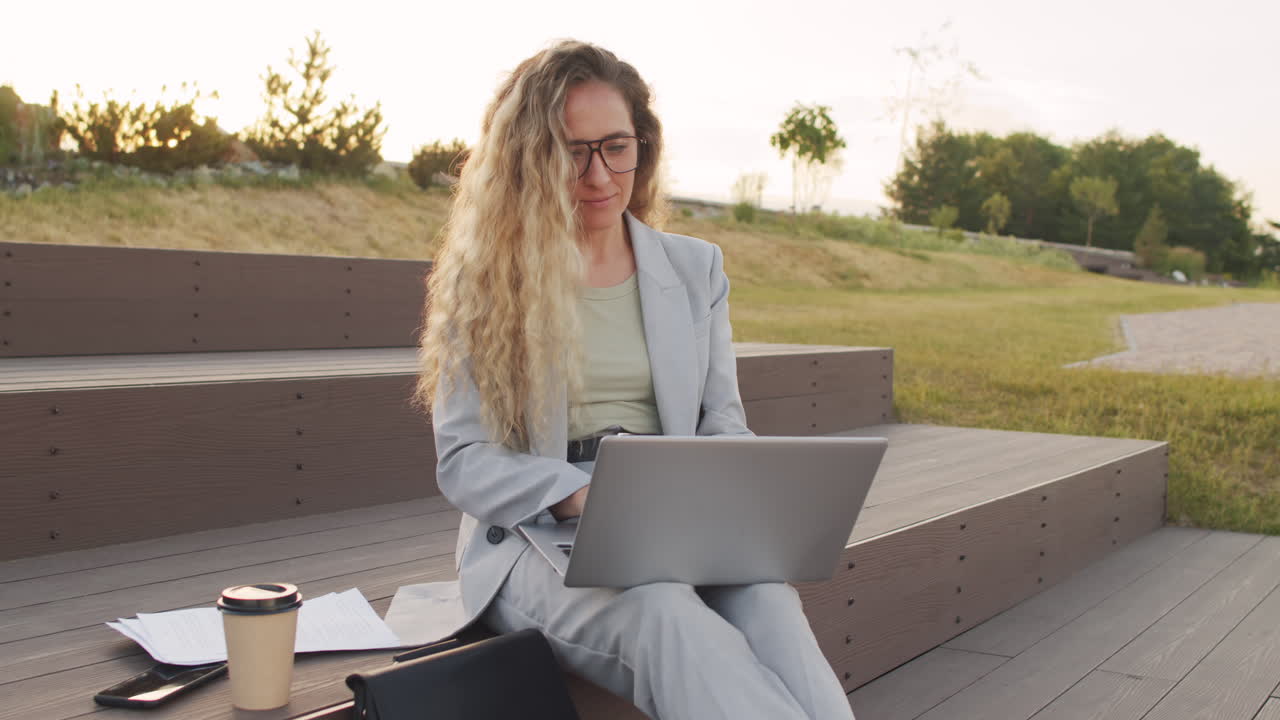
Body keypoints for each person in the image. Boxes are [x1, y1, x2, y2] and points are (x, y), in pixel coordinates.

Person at [413, 40, 855, 720]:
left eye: (616, 147)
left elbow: (721, 423)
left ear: (641, 146)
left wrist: (747, 504)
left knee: (769, 599)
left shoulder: (696, 269)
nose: (599, 175)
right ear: (529, 158)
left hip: (678, 518)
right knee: (661, 610)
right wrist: (579, 497)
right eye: (572, 151)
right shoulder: (487, 280)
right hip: (536, 535)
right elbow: (465, 459)